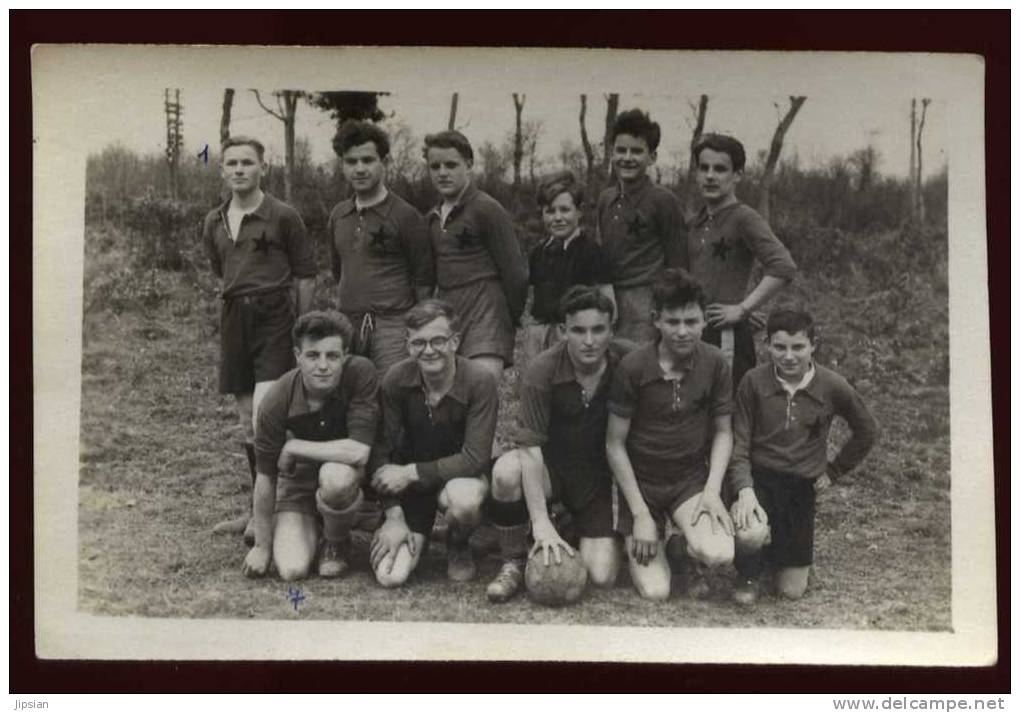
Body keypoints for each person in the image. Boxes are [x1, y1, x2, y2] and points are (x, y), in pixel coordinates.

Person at [203, 135, 318, 544]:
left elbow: (305, 274)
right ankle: (258, 506)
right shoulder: (214, 220)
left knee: (265, 417)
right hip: (235, 318)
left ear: (262, 168)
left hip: (275, 317)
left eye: (247, 163)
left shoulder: (283, 215)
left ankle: (282, 510)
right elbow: (223, 271)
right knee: (247, 420)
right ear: (222, 170)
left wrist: (301, 330)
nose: (239, 170)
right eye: (231, 163)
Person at [487, 286, 631, 602]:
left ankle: (569, 525)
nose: (589, 340)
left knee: (602, 576)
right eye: (579, 330)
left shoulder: (629, 363)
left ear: (612, 330)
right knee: (505, 472)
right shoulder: (542, 369)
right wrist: (539, 522)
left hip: (599, 478)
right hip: (552, 469)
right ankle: (513, 558)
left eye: (598, 330)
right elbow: (530, 450)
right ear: (563, 331)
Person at [728, 309, 879, 605]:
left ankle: (775, 553)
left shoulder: (832, 385)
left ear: (813, 344)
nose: (788, 356)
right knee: (750, 534)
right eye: (779, 347)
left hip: (800, 488)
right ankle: (748, 571)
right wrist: (744, 490)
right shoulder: (752, 382)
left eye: (798, 347)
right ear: (767, 345)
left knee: (790, 591)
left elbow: (867, 430)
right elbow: (740, 445)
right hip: (759, 481)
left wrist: (834, 471)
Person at [606, 269, 735, 600]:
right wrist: (639, 514)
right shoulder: (633, 367)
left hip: (689, 481)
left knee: (720, 553)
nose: (682, 331)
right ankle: (659, 540)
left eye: (691, 322)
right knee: (656, 592)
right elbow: (615, 444)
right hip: (643, 484)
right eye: (673, 322)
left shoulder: (716, 362)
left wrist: (711, 490)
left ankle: (682, 545)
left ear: (704, 321)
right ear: (656, 320)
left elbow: (723, 432)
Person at [369, 299, 497, 587]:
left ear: (455, 341)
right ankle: (416, 534)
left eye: (438, 340)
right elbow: (380, 451)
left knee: (465, 500)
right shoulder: (395, 379)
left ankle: (458, 543)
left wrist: (410, 472)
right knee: (391, 576)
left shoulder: (479, 381)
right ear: (408, 344)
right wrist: (393, 514)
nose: (428, 350)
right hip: (411, 491)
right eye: (419, 343)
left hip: (457, 479)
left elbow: (475, 457)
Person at [242, 311, 379, 581]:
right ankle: (310, 524)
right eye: (313, 356)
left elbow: (359, 452)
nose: (323, 366)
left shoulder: (360, 372)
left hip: (342, 477)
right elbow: (266, 477)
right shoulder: (277, 399)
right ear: (297, 356)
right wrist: (261, 546)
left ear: (346, 355)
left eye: (333, 356)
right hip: (298, 486)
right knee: (292, 570)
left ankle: (335, 541)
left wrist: (294, 448)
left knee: (336, 477)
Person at [687, 133, 797, 390]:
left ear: (737, 175)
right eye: (704, 168)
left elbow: (783, 266)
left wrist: (743, 309)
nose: (711, 176)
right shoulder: (694, 222)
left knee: (728, 411)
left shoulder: (744, 217)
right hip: (693, 329)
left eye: (720, 169)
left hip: (725, 334)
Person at [328, 121, 435, 375]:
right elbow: (338, 270)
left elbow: (423, 281)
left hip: (392, 327)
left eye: (368, 160)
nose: (360, 169)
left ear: (384, 162)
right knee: (351, 399)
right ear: (343, 165)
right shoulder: (338, 215)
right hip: (347, 324)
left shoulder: (405, 216)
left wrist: (419, 331)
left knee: (392, 398)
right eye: (351, 162)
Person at [423, 130, 528, 381]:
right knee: (452, 392)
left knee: (482, 386)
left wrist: (508, 318)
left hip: (486, 308)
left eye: (451, 165)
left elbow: (516, 274)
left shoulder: (486, 208)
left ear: (468, 165)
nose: (443, 172)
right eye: (435, 166)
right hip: (450, 310)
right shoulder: (431, 218)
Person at [596, 109, 686, 343]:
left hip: (645, 304)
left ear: (652, 157)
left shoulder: (663, 200)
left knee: (640, 369)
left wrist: (668, 311)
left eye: (636, 151)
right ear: (611, 153)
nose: (627, 157)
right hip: (608, 300)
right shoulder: (605, 199)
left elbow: (678, 265)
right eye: (621, 150)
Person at [522, 170, 614, 371]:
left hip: (576, 336)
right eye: (550, 211)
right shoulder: (538, 252)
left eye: (565, 210)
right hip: (540, 336)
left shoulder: (591, 252)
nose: (557, 218)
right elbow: (532, 298)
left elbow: (608, 304)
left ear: (579, 211)